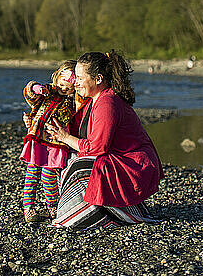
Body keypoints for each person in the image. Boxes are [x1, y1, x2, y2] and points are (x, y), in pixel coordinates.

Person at [46, 51, 164, 230]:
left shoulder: (107, 103)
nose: (74, 82)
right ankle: (99, 209)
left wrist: (65, 138)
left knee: (80, 167)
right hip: (124, 160)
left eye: (79, 77)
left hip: (135, 166)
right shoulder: (95, 99)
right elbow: (78, 131)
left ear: (98, 78)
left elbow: (97, 148)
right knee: (68, 158)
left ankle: (98, 215)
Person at [20, 60, 84, 223]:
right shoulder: (49, 91)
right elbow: (30, 93)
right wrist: (36, 89)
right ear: (57, 78)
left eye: (68, 87)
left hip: (56, 144)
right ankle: (29, 208)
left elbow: (80, 109)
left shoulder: (71, 102)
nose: (63, 89)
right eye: (62, 84)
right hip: (37, 140)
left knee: (49, 177)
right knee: (31, 175)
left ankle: (53, 206)